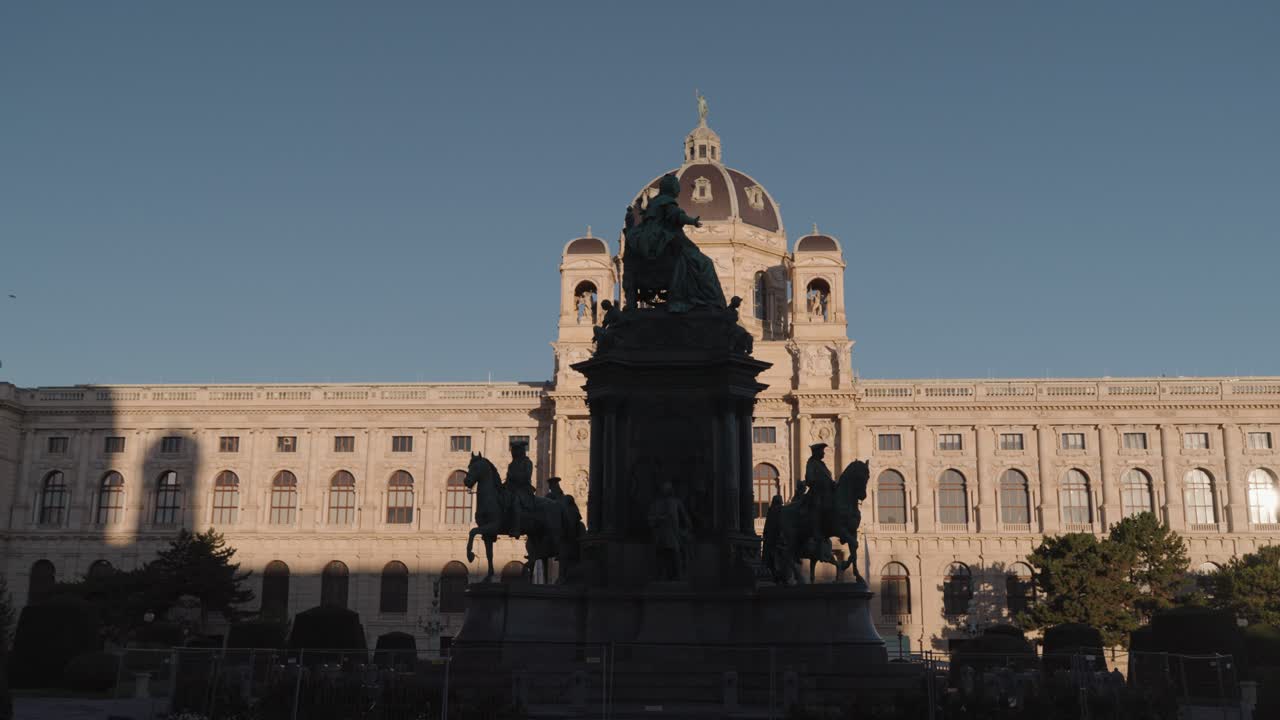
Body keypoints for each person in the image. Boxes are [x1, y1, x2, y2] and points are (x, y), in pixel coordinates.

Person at [648, 481, 692, 581]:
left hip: (674, 532)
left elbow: (685, 517)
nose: (666, 490)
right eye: (664, 488)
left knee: (676, 553)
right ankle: (659, 575)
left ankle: (679, 575)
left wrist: (687, 527)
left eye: (668, 488)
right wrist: (659, 518)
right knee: (660, 554)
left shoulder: (676, 501)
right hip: (660, 533)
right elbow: (650, 518)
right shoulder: (656, 503)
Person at [801, 443, 835, 551]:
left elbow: (829, 479)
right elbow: (809, 479)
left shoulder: (822, 465)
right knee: (817, 506)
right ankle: (815, 533)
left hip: (825, 493)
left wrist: (833, 484)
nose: (824, 453)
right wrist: (819, 483)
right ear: (816, 452)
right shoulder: (811, 463)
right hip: (816, 492)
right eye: (822, 451)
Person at [505, 438, 536, 534]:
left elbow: (527, 476)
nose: (513, 452)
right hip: (512, 488)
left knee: (516, 501)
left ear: (521, 451)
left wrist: (515, 477)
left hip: (523, 489)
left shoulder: (527, 462)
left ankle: (517, 528)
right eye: (513, 450)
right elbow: (508, 479)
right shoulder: (511, 465)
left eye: (516, 450)